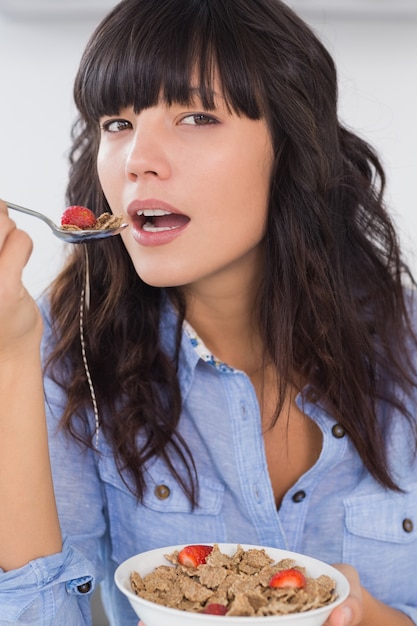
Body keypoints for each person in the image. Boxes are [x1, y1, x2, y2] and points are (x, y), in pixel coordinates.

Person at [0, 0, 416, 624]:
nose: (138, 159)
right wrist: (9, 359)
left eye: (196, 116)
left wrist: (366, 616)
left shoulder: (405, 343)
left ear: (291, 144)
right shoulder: (66, 346)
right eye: (117, 123)